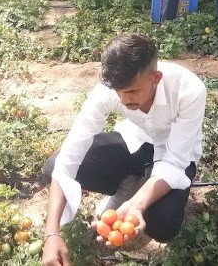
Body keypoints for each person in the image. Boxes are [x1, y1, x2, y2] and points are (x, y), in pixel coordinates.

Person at [42, 34, 206, 266]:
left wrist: (137, 204)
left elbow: (176, 161)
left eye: (132, 92)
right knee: (53, 166)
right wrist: (52, 233)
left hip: (174, 154)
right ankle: (130, 182)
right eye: (118, 92)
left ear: (156, 78)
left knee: (162, 224)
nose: (123, 99)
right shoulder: (111, 88)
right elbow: (71, 153)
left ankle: (139, 191)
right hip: (135, 143)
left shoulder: (188, 90)